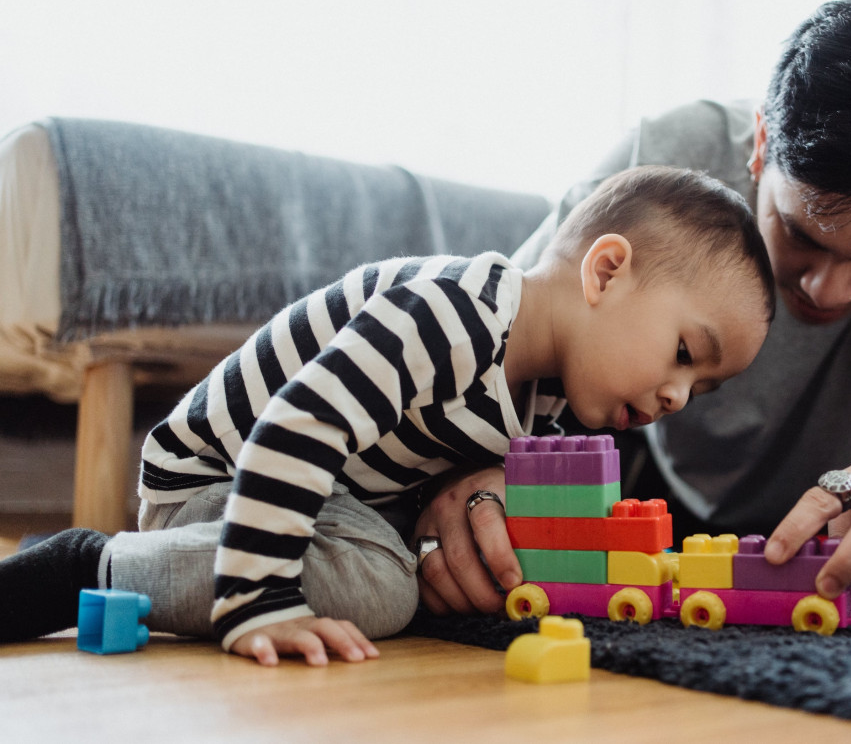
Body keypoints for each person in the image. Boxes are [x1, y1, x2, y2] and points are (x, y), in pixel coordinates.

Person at [415, 0, 851, 615]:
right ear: (762, 142)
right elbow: (493, 343)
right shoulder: (659, 166)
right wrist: (466, 479)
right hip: (631, 491)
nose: (822, 289)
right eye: (798, 234)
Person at [0, 165, 776, 664]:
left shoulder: (544, 401)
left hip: (329, 499)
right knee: (381, 591)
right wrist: (261, 603)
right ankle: (86, 566)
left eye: (702, 389)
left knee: (401, 572)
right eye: (684, 352)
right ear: (607, 271)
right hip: (220, 479)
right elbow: (300, 426)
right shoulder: (454, 314)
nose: (677, 398)